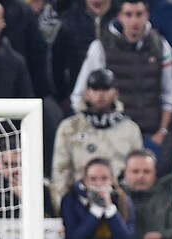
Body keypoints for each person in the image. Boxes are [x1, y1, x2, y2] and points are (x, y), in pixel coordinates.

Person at [70, 0, 172, 151]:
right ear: (119, 16)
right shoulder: (100, 47)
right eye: (128, 15)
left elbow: (168, 94)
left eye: (139, 14)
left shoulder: (161, 46)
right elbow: (79, 95)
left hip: (151, 134)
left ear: (147, 15)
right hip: (113, 134)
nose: (134, 21)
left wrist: (162, 132)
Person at [51, 67, 143, 201]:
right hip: (80, 201)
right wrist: (65, 206)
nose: (100, 94)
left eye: (106, 89)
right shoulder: (69, 127)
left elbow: (136, 169)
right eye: (95, 89)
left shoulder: (130, 129)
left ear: (115, 93)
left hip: (120, 200)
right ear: (87, 93)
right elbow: (60, 171)